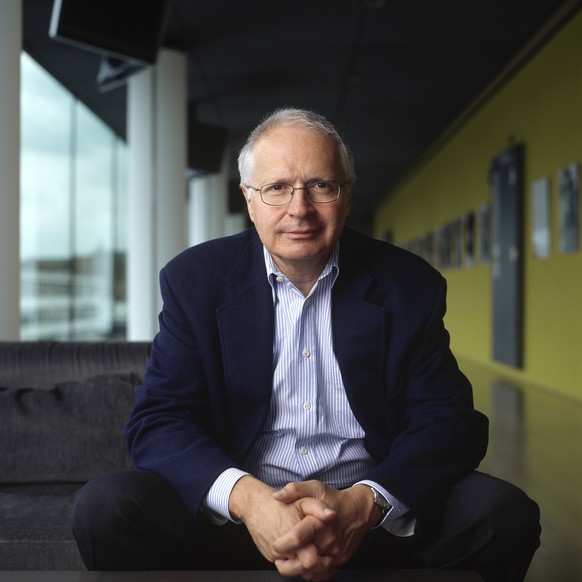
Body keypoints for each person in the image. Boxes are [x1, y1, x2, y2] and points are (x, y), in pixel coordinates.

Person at [73, 108, 540, 581]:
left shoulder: (408, 285)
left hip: (369, 518)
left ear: (347, 196)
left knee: (502, 514)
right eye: (277, 188)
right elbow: (159, 420)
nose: (299, 209)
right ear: (249, 200)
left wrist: (364, 504)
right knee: (107, 507)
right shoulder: (194, 281)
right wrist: (251, 503)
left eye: (321, 186)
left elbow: (449, 421)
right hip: (234, 520)